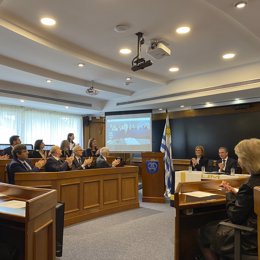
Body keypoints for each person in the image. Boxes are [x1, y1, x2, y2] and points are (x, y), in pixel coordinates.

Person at [198, 138, 260, 259]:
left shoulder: (250, 185)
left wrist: (229, 194)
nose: (238, 161)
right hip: (256, 232)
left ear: (248, 159)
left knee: (203, 231)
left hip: (249, 238)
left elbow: (235, 217)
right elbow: (254, 201)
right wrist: (235, 191)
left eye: (240, 157)